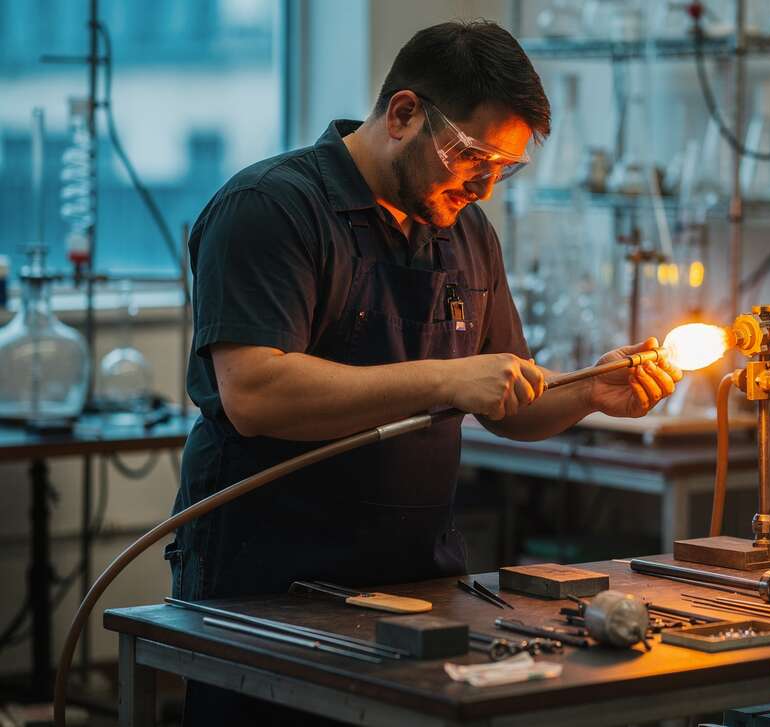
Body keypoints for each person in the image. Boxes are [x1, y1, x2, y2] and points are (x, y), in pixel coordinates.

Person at [166, 20, 681, 724]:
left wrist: (589, 388)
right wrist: (445, 378)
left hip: (415, 579)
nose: (485, 188)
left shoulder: (465, 232)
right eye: (472, 157)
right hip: (266, 584)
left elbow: (509, 399)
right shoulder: (271, 209)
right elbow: (255, 390)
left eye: (504, 169)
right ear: (404, 113)